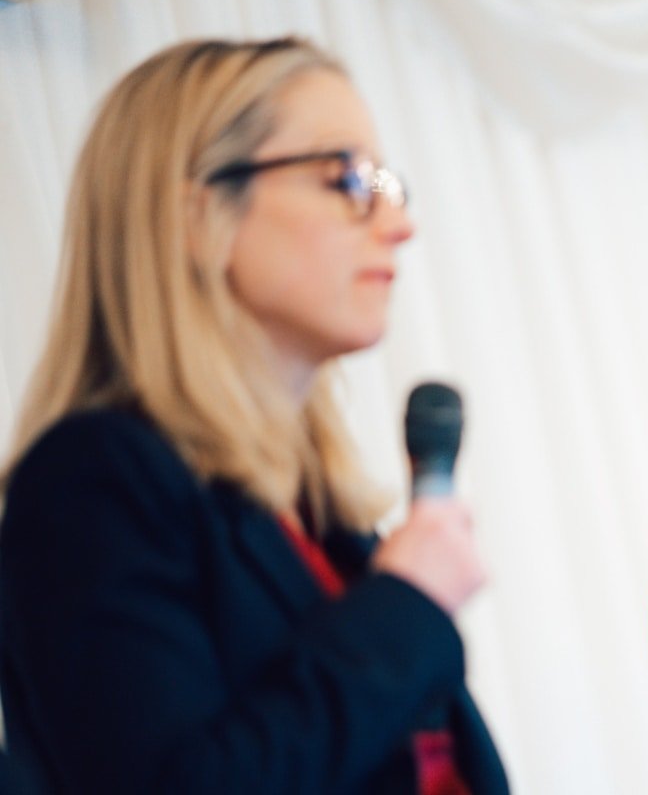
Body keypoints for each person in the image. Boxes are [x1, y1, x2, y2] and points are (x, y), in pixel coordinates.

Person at [0, 38, 508, 795]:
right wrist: (405, 606)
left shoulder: (315, 513)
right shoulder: (89, 485)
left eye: (388, 184)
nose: (398, 225)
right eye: (346, 177)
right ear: (199, 212)